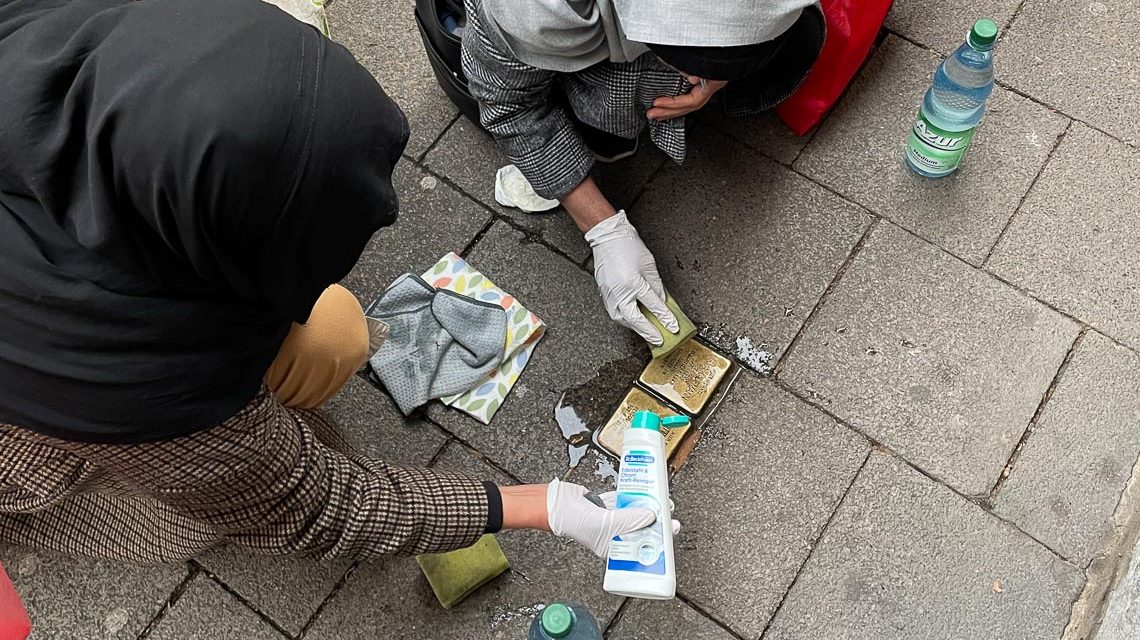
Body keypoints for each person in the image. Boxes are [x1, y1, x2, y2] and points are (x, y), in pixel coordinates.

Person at [0, 0, 662, 564]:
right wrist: (545, 505)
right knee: (195, 510)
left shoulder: (43, 36)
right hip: (37, 427)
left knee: (334, 329)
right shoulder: (124, 375)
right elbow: (321, 509)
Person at [462, 0, 825, 346]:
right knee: (566, 129)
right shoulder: (538, 12)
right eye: (690, 59)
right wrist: (602, 229)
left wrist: (717, 76)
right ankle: (581, 134)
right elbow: (508, 105)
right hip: (530, 49)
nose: (695, 75)